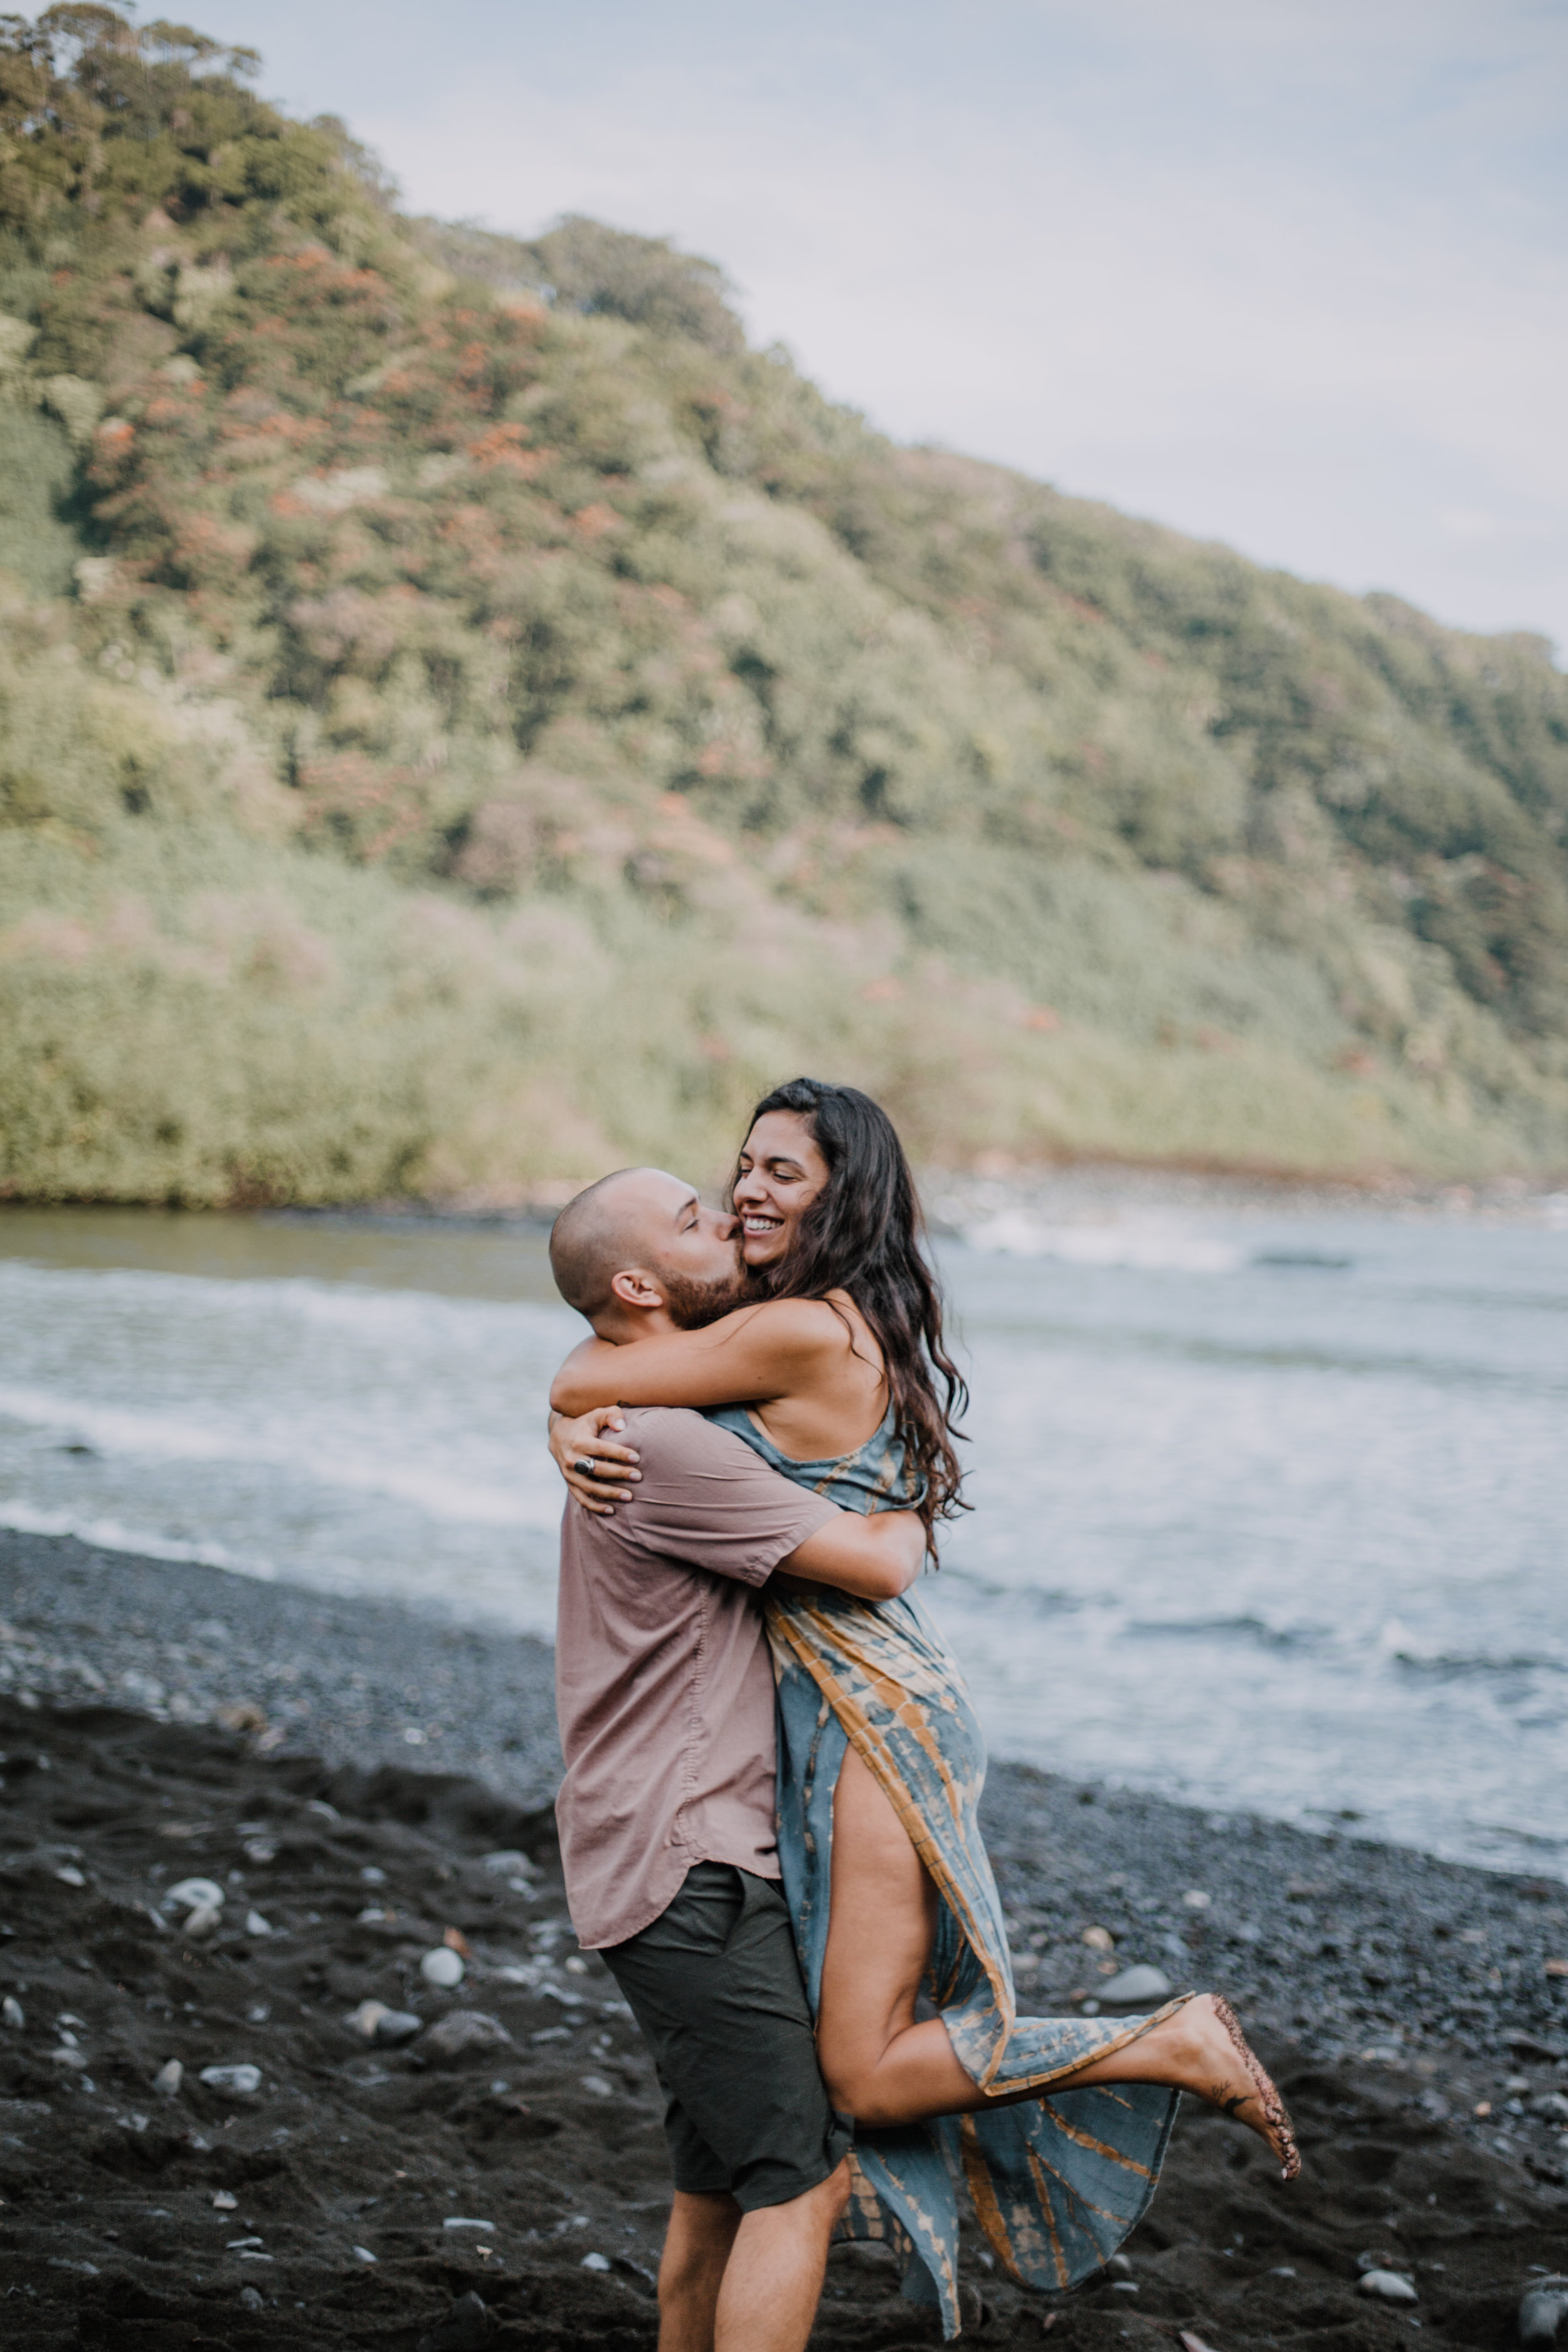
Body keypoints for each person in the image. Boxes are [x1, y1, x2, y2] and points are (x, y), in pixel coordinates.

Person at [548, 1081, 1298, 2338]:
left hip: (866, 1714)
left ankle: (1164, 2041)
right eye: (733, 1175)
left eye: (778, 1175)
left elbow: (600, 1375)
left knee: (857, 2076)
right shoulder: (764, 1354)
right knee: (780, 2138)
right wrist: (571, 1417)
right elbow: (605, 1367)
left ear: (847, 1193)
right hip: (817, 1728)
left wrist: (567, 1414)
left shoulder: (788, 1338)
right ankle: (1159, 2043)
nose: (742, 1195)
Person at [548, 1163, 932, 2352]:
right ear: (637, 1281)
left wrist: (560, 1409)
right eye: (695, 1218)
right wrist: (915, 1495)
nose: (728, 1218)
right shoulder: (667, 1446)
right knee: (797, 2181)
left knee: (713, 2187)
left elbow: (590, 1384)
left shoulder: (633, 1426)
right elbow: (878, 1564)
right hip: (692, 1861)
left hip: (650, 1851)